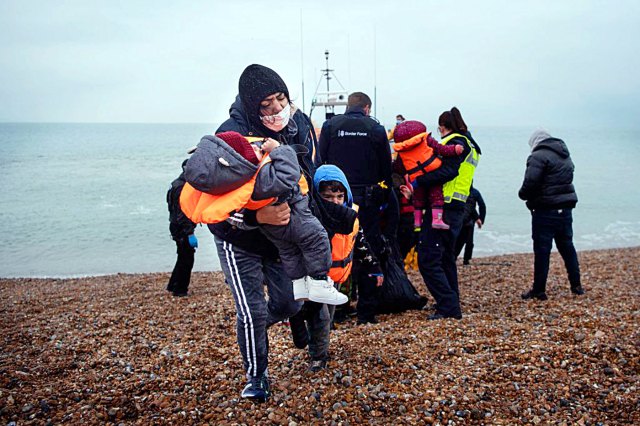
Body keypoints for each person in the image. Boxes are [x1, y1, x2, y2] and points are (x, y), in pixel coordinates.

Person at [184, 64, 318, 402]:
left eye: (280, 98)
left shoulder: (298, 123)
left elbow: (308, 177)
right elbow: (208, 194)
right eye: (266, 104)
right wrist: (257, 215)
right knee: (252, 310)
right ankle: (256, 377)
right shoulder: (230, 133)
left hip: (279, 239)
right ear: (252, 106)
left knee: (288, 304)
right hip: (236, 236)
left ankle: (258, 327)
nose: (276, 108)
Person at [181, 131, 347, 306]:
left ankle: (300, 285)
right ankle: (320, 281)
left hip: (272, 228)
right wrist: (279, 149)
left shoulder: (234, 184)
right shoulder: (262, 178)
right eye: (253, 149)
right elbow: (289, 173)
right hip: (294, 216)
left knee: (289, 251)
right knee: (317, 239)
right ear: (241, 163)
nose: (257, 147)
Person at [415, 107, 481, 320]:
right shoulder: (471, 144)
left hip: (442, 207)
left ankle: (449, 306)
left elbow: (447, 171)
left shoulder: (454, 143)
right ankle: (451, 301)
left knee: (427, 259)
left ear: (443, 127)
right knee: (445, 258)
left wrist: (418, 181)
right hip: (457, 208)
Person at [318, 92, 392, 259]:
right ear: (366, 108)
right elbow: (386, 169)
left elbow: (319, 162)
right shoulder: (376, 129)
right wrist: (384, 198)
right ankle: (368, 279)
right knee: (367, 245)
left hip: (335, 198)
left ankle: (339, 280)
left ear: (348, 106)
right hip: (367, 198)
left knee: (337, 243)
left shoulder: (330, 126)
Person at [518, 129, 584, 300]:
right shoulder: (565, 155)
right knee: (567, 247)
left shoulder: (538, 156)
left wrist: (523, 195)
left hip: (545, 210)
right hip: (565, 209)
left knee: (542, 251)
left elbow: (531, 182)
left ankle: (539, 290)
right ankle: (576, 285)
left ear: (535, 142)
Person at [393, 120, 464, 230]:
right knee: (436, 197)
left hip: (416, 177)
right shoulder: (425, 139)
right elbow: (441, 149)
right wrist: (454, 149)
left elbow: (399, 168)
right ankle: (437, 220)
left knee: (418, 198)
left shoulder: (401, 151)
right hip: (433, 171)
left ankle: (417, 222)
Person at [166, 159, 198, 297]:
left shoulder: (176, 184)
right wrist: (189, 233)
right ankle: (180, 289)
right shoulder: (182, 188)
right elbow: (182, 213)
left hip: (175, 225)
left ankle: (173, 284)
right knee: (187, 257)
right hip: (181, 228)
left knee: (182, 255)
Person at [455, 185, 486, 265]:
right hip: (462, 220)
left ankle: (465, 260)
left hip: (466, 221)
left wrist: (480, 219)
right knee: (461, 242)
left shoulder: (473, 192)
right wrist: (479, 218)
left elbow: (481, 206)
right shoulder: (471, 192)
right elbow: (478, 206)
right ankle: (457, 259)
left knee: (467, 242)